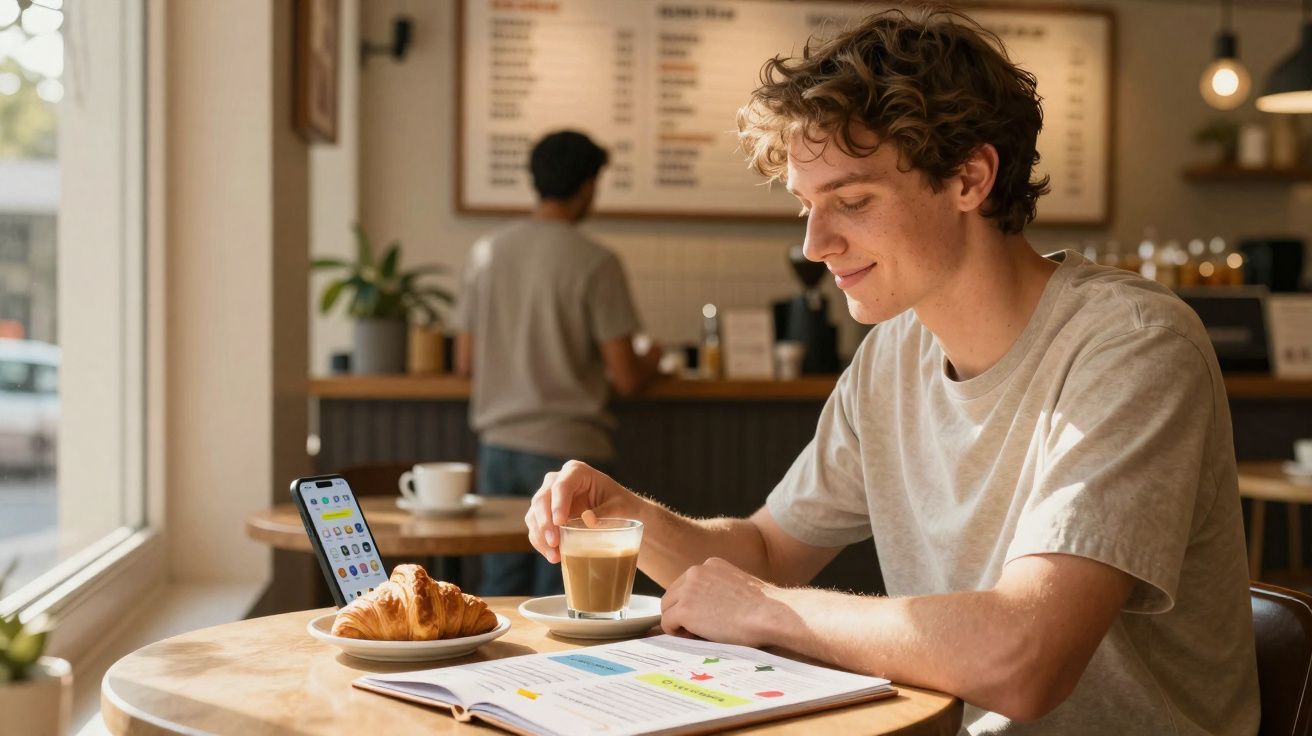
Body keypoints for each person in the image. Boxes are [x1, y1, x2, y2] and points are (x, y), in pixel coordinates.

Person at [525, 9, 1258, 734]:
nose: (816, 244)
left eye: (850, 201)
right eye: (806, 206)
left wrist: (767, 611)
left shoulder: (1132, 347)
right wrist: (631, 518)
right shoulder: (891, 356)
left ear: (970, 178)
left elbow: (1023, 658)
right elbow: (769, 552)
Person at [454, 130, 661, 598]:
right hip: (569, 451)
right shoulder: (595, 261)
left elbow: (464, 361)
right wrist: (656, 358)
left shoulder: (486, 253)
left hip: (497, 447)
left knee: (498, 591)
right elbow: (626, 376)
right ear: (588, 185)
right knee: (567, 595)